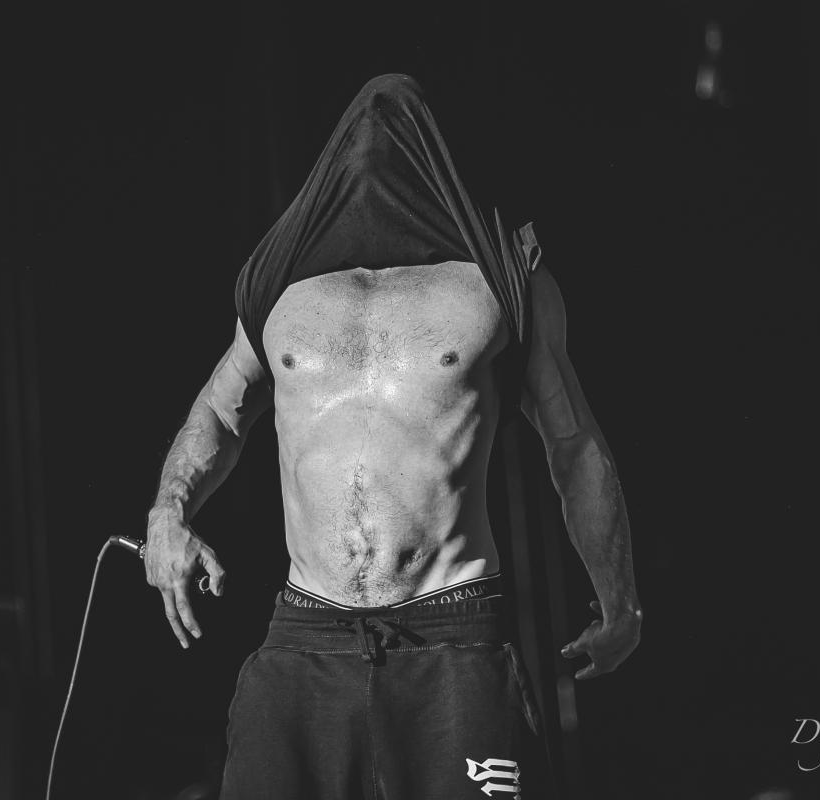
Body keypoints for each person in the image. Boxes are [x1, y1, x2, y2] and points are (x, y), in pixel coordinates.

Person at [144, 74, 641, 799]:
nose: (375, 140)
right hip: (306, 637)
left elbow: (573, 445)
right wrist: (168, 512)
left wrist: (620, 601)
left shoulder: (499, 283)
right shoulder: (282, 295)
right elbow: (219, 412)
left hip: (450, 637)